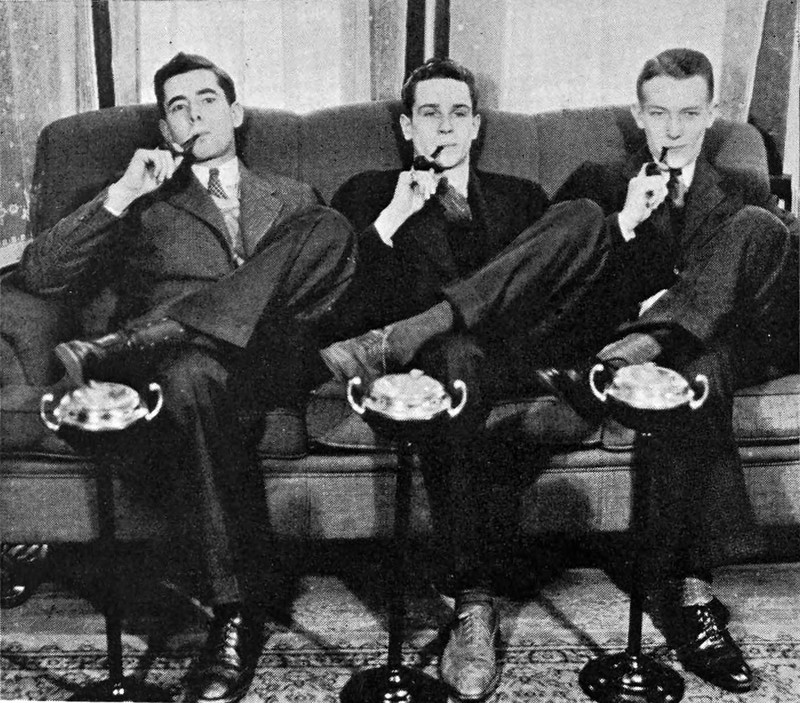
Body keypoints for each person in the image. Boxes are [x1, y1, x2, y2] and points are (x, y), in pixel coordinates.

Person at [15, 53, 356, 703]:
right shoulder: (146, 200)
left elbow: (327, 290)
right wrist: (124, 192)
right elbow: (41, 274)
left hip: (272, 360)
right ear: (165, 128)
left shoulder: (294, 197)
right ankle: (236, 615)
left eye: (207, 99)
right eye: (178, 106)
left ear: (236, 112)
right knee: (193, 374)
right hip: (188, 372)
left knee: (331, 226)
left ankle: (137, 339)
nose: (195, 114)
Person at [320, 57, 622, 701]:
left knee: (584, 215)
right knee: (456, 357)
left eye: (459, 113)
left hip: (518, 354)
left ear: (477, 126)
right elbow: (339, 310)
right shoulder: (368, 194)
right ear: (407, 126)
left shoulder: (521, 197)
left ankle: (431, 325)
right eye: (429, 113)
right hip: (435, 370)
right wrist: (392, 221)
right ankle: (473, 601)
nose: (445, 126)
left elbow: (562, 289)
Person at [541, 47, 798, 693]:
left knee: (759, 230)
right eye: (659, 113)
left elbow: (766, 291)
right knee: (697, 373)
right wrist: (624, 225)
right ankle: (693, 594)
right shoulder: (598, 181)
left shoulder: (745, 191)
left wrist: (681, 303)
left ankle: (631, 354)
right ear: (639, 114)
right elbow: (557, 289)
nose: (674, 129)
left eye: (688, 113)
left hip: (720, 340)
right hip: (681, 360)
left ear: (711, 114)